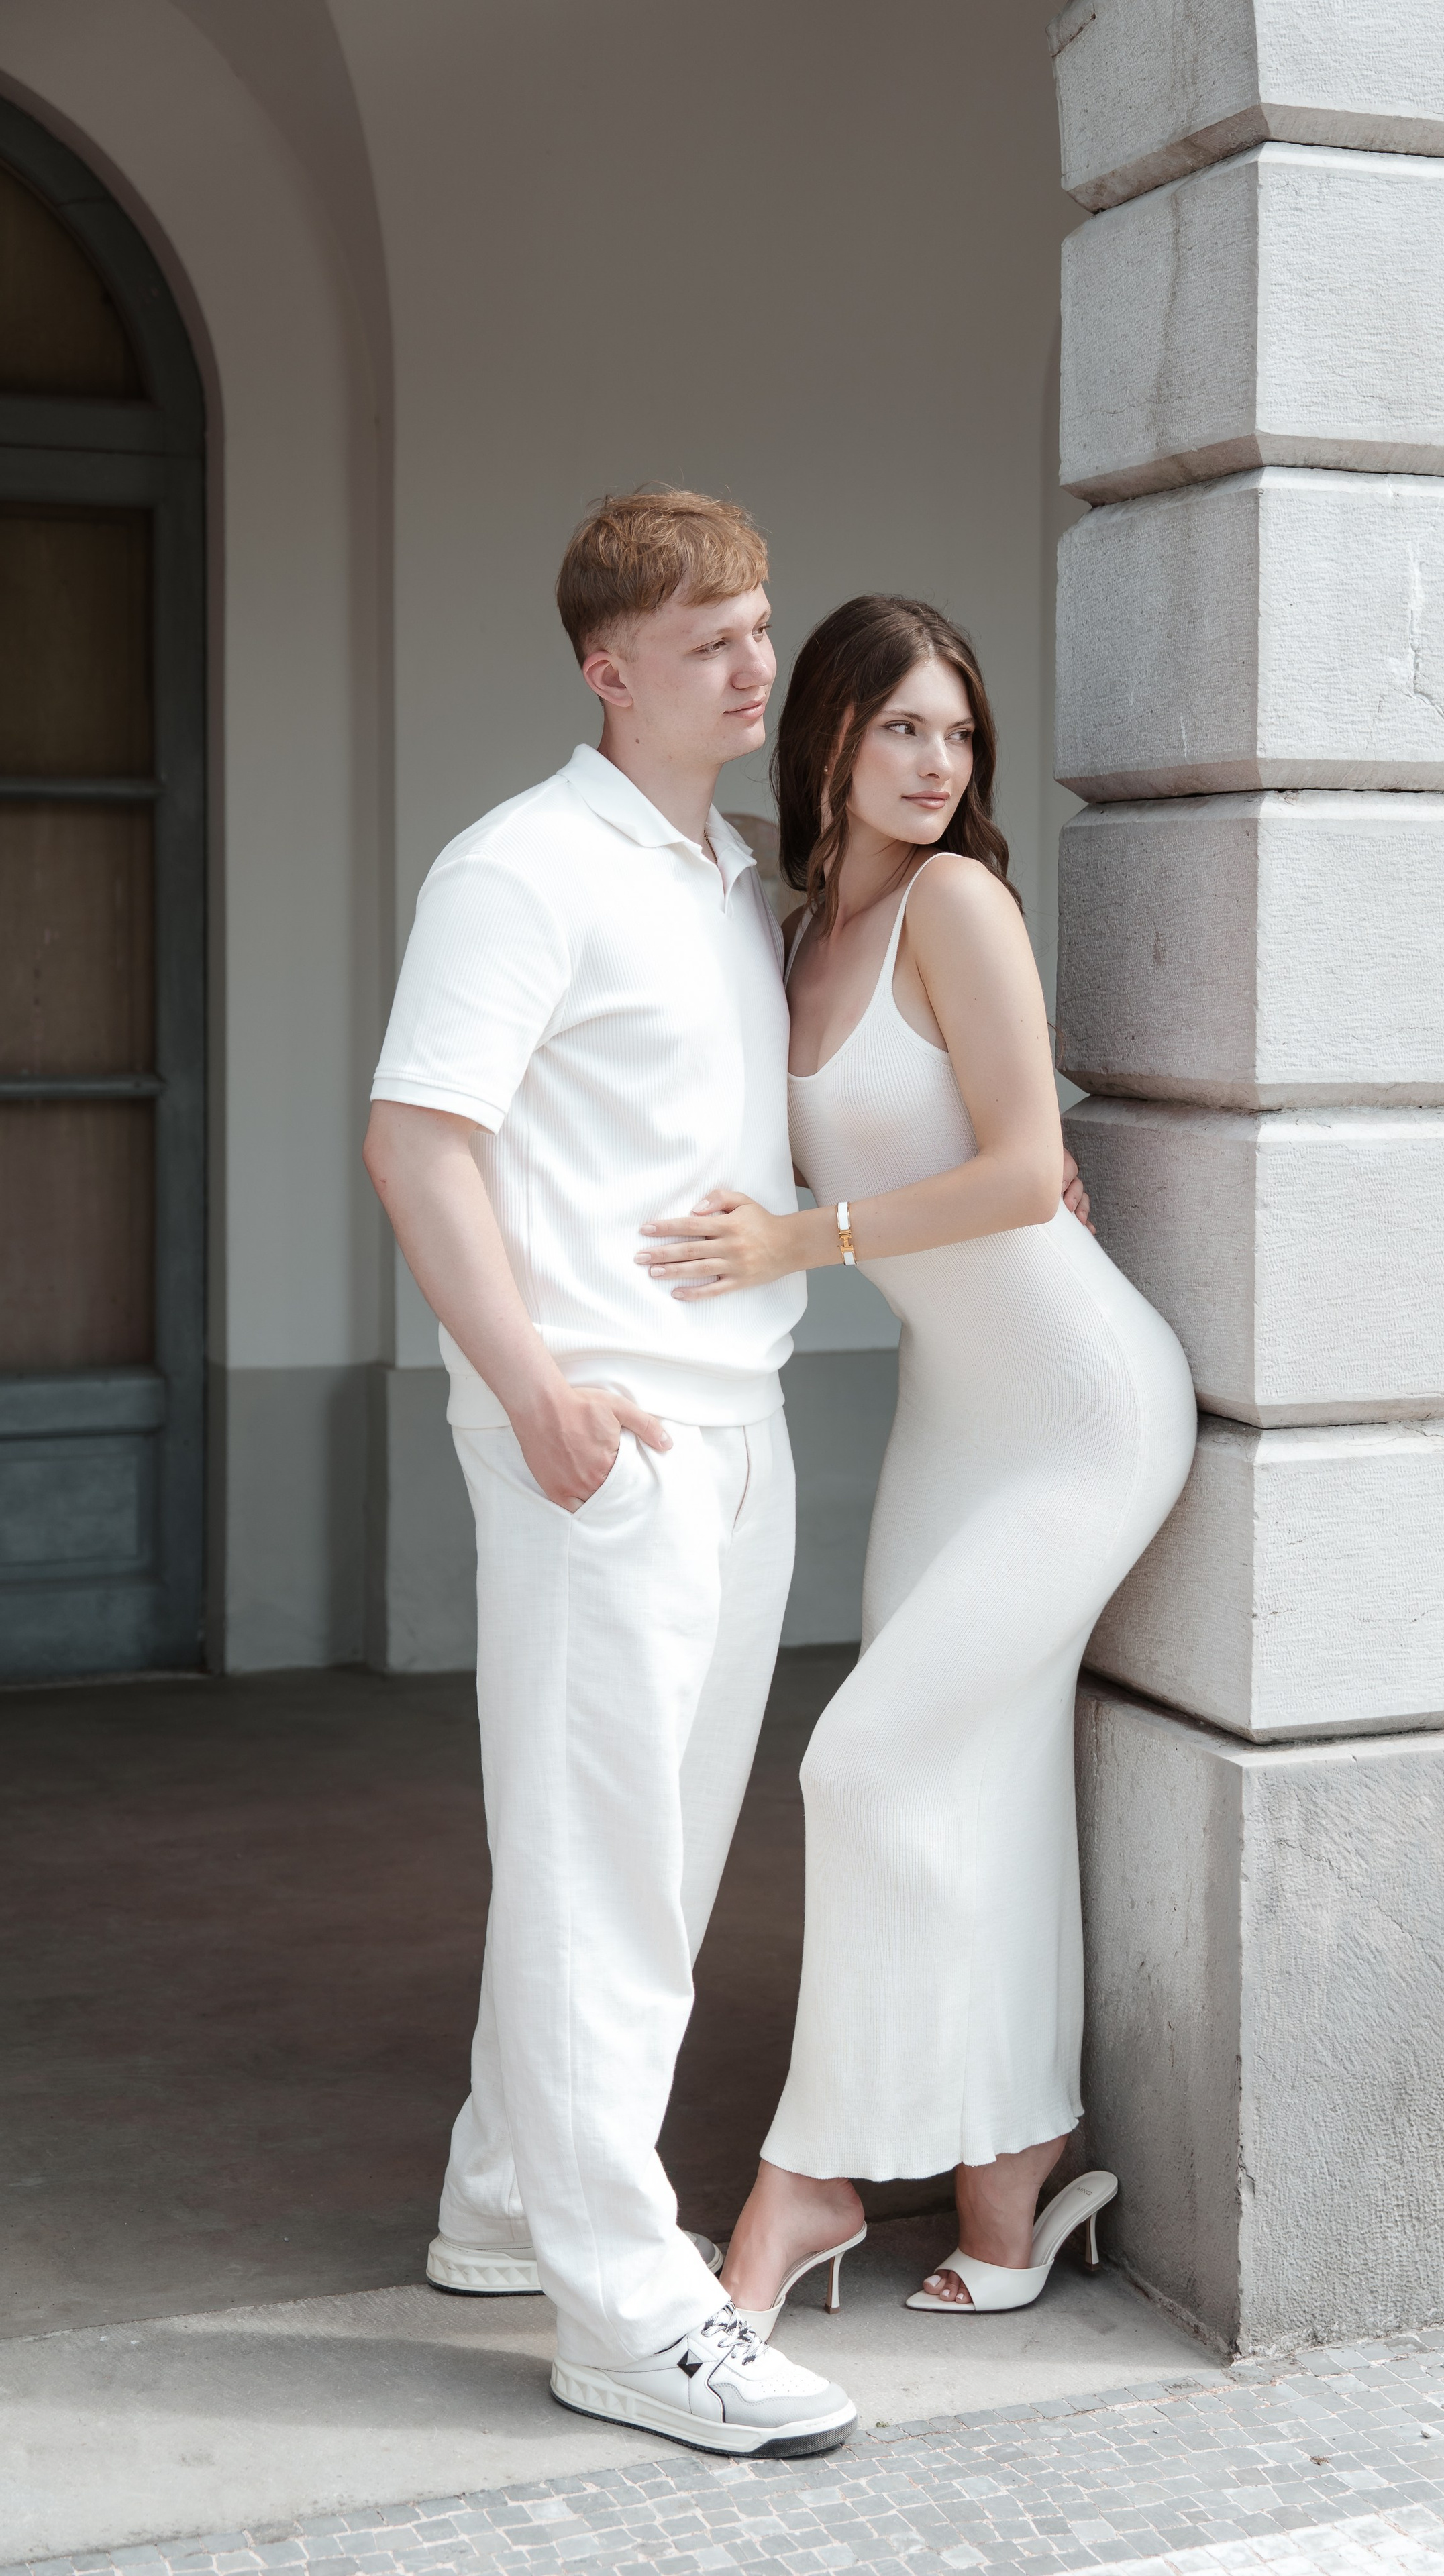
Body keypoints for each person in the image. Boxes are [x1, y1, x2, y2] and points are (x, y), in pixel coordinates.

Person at [361, 490, 858, 2456]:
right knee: (604, 1875)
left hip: (741, 1420)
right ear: (607, 667)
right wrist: (540, 1394)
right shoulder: (523, 868)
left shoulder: (729, 876)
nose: (756, 662)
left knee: (650, 1856)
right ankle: (624, 2303)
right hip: (607, 1439)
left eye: (761, 624)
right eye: (713, 636)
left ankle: (505, 2194)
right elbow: (420, 1141)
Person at [635, 596, 1198, 2327]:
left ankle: (807, 2187)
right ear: (829, 741)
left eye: (959, 734)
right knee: (973, 1787)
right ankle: (1009, 2183)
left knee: (861, 1764)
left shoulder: (958, 903)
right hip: (957, 1417)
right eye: (903, 731)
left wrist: (811, 1239)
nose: (939, 763)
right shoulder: (800, 935)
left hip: (1084, 1411)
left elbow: (1029, 1170)